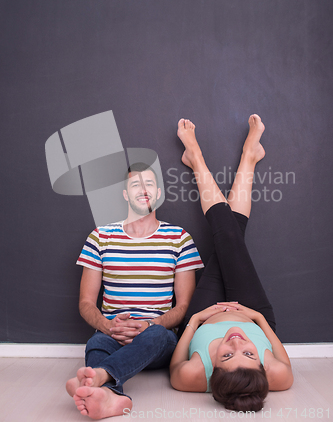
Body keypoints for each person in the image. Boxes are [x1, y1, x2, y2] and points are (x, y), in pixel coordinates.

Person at [170, 115, 293, 412]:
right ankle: (231, 158)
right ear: (261, 368)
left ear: (213, 371)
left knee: (229, 236)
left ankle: (205, 158)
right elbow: (281, 355)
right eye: (250, 355)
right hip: (251, 312)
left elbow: (175, 364)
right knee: (230, 236)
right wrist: (256, 319)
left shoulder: (193, 377)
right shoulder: (278, 376)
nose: (237, 343)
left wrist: (197, 320)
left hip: (204, 312)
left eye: (226, 355)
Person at [66, 162, 204, 419]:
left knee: (159, 336)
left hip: (157, 339)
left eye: (149, 183)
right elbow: (86, 302)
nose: (143, 189)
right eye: (135, 184)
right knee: (96, 342)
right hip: (112, 333)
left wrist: (151, 324)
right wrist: (109, 327)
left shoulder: (179, 238)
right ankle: (108, 396)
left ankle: (99, 377)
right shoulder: (100, 237)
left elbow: (184, 306)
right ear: (125, 193)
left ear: (159, 193)